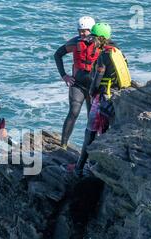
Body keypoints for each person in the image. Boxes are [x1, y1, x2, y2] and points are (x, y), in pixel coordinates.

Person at [73, 22, 131, 176]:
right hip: (117, 95)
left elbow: (97, 78)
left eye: (93, 37)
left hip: (104, 97)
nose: (91, 40)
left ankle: (79, 167)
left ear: (101, 38)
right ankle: (98, 163)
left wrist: (91, 93)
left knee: (90, 131)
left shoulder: (103, 56)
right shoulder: (118, 51)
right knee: (104, 130)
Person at [54, 16, 99, 150]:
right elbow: (57, 54)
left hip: (94, 87)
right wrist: (64, 76)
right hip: (77, 85)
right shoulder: (74, 43)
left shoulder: (101, 44)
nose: (81, 33)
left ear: (91, 30)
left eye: (84, 31)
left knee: (92, 119)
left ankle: (91, 148)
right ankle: (63, 145)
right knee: (73, 112)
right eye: (79, 30)